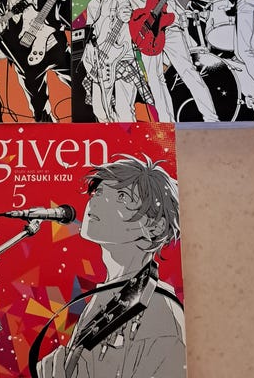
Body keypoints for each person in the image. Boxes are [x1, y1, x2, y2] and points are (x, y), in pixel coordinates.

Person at [36, 156, 186, 378]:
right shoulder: (107, 296)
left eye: (122, 196)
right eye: (98, 192)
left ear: (155, 226)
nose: (97, 200)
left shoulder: (161, 313)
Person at [112, 0, 218, 123]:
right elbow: (124, 5)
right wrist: (124, 12)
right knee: (155, 80)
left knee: (188, 71)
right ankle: (166, 123)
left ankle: (211, 118)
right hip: (145, 34)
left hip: (168, 27)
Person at [75, 0, 154, 122]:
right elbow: (91, 32)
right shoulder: (92, 4)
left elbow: (134, 14)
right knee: (100, 111)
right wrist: (89, 52)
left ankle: (129, 136)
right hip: (101, 60)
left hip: (123, 57)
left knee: (124, 110)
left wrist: (127, 14)